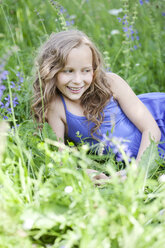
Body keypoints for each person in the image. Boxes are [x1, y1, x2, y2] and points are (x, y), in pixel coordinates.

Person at [32, 29, 165, 171]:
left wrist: (136, 172)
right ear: (51, 71)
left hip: (159, 120)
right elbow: (59, 162)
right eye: (68, 71)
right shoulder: (56, 107)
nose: (78, 81)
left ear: (94, 69)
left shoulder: (111, 83)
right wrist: (84, 173)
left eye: (86, 70)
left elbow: (151, 130)